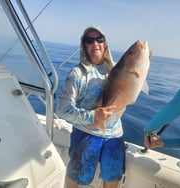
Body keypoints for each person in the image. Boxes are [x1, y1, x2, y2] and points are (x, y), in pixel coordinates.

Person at [56, 26, 125, 188]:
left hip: (115, 135)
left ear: (105, 44)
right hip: (86, 133)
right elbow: (61, 108)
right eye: (89, 40)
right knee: (76, 175)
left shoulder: (118, 70)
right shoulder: (77, 74)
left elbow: (134, 85)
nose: (95, 43)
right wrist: (92, 116)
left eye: (99, 39)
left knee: (113, 175)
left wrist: (142, 61)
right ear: (84, 46)